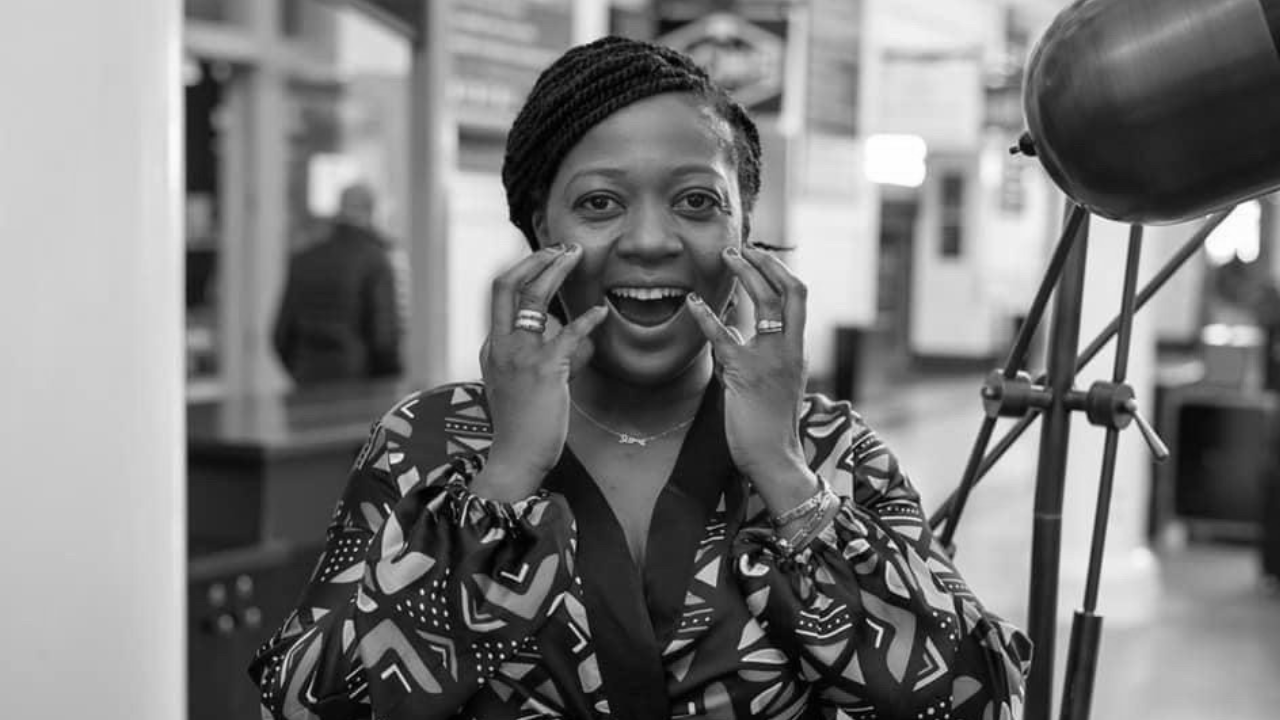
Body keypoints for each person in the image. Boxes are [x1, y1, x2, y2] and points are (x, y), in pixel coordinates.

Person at [249, 37, 1030, 720]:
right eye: (600, 202)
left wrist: (785, 476)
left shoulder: (832, 450)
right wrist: (504, 479)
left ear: (743, 229)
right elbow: (308, 703)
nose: (651, 240)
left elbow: (980, 699)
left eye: (696, 201)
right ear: (540, 228)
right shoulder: (426, 442)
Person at [273, 183, 403, 386]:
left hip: (306, 380)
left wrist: (301, 371)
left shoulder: (304, 259)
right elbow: (384, 339)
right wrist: (390, 382)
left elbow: (280, 335)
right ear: (371, 212)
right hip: (360, 386)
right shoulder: (375, 261)